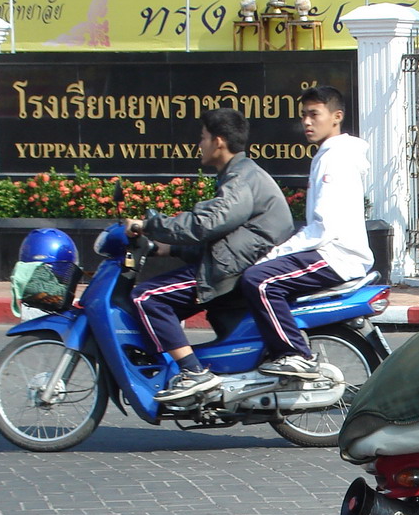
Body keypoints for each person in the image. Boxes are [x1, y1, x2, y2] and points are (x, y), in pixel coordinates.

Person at [128, 108, 293, 401]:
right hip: (235, 264)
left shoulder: (240, 180)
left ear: (218, 141)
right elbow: (221, 238)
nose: (199, 145)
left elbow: (206, 224)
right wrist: (164, 247)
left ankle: (193, 373)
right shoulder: (239, 174)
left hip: (233, 271)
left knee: (147, 297)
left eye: (202, 138)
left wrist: (150, 225)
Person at [239, 85, 374, 379]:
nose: (307, 122)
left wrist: (274, 254)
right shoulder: (329, 154)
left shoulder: (335, 158)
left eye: (314, 114)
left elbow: (323, 227)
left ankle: (294, 354)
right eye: (304, 116)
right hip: (332, 250)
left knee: (259, 281)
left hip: (335, 255)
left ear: (336, 117)